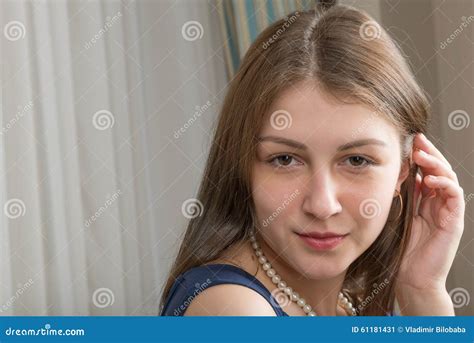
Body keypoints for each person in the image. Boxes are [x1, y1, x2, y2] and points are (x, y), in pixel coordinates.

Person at [159, 4, 465, 316]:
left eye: (357, 160)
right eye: (285, 159)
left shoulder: (350, 299)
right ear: (244, 165)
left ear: (404, 170)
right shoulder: (237, 311)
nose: (322, 205)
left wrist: (422, 290)